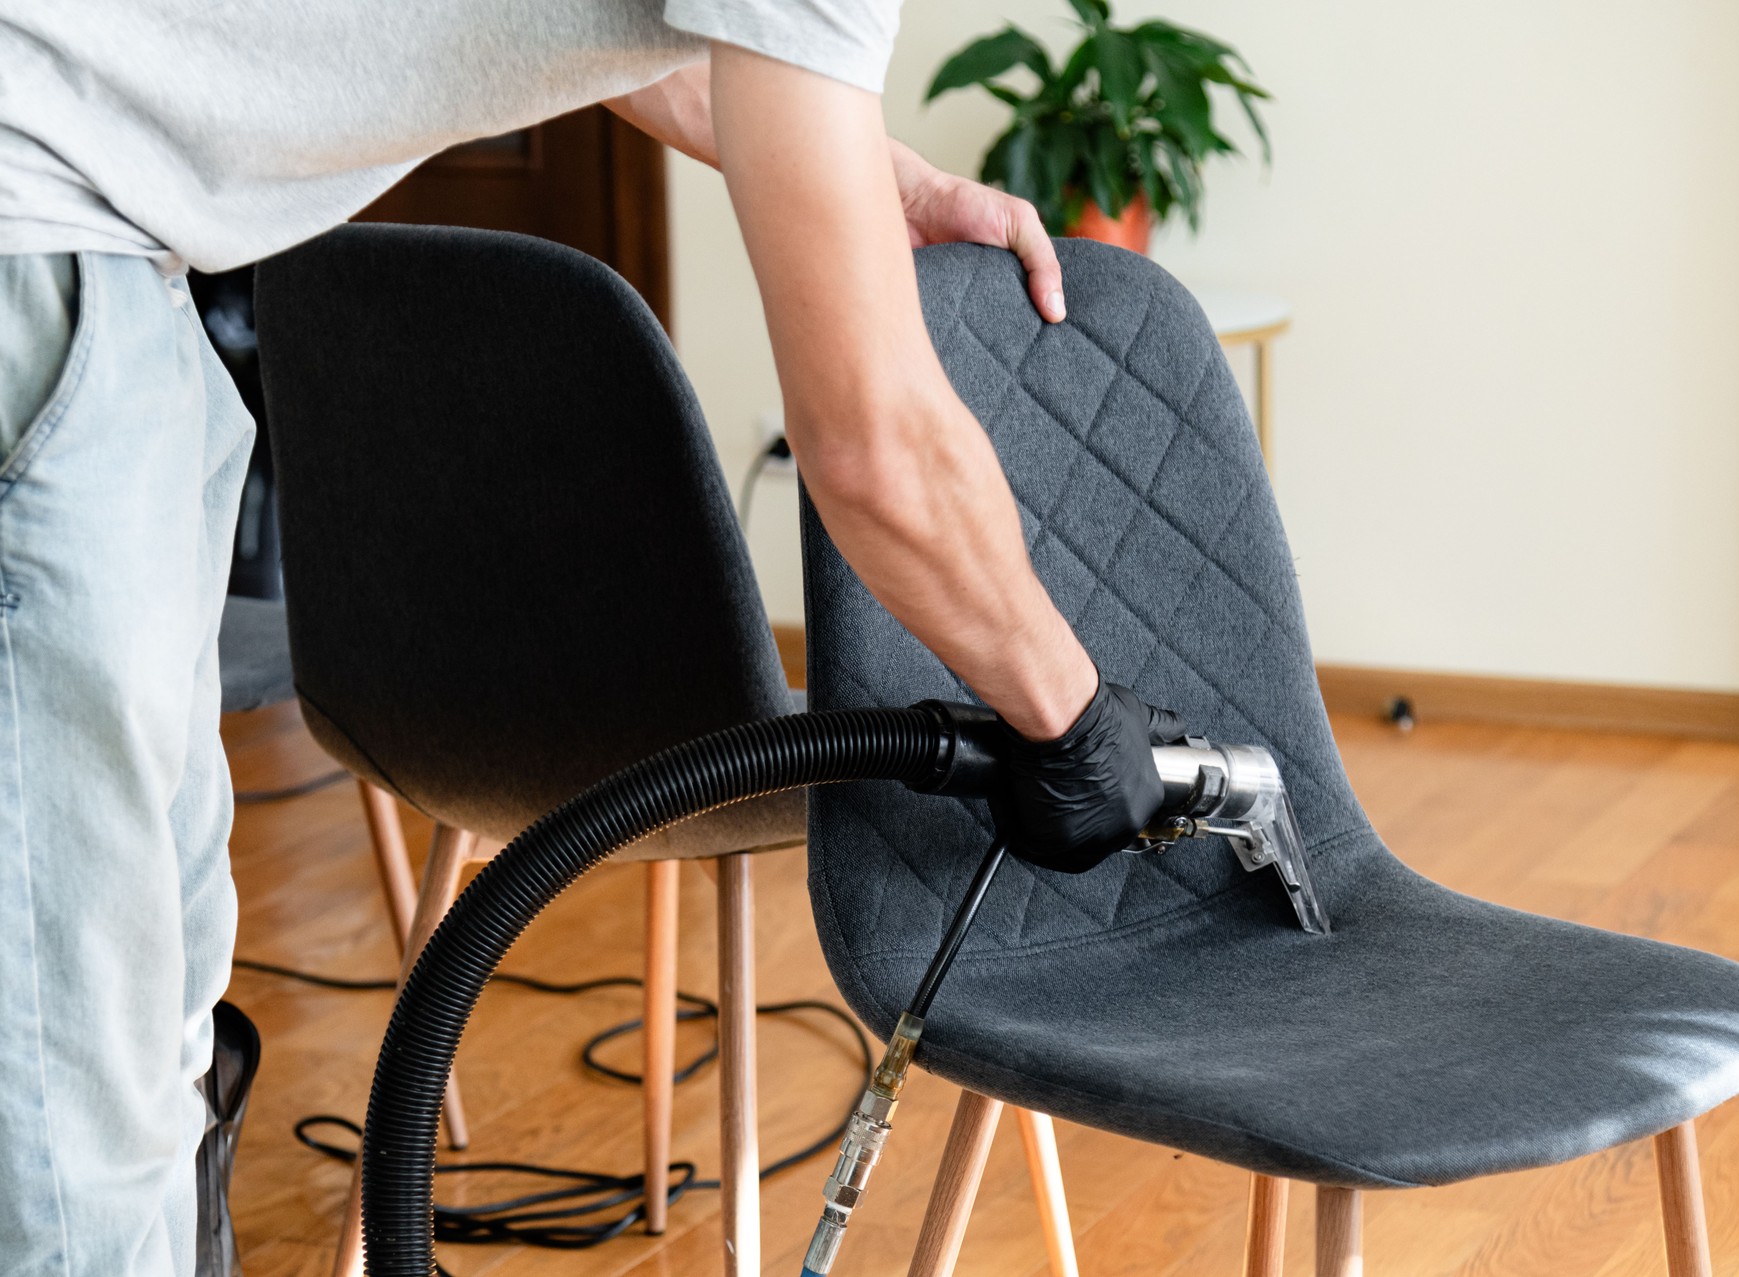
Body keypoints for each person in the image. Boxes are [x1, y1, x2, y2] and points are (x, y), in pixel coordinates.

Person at [0, 3, 1179, 1271]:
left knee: (154, 1025)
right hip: (37, 221)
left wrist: (867, 178)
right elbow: (876, 447)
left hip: (124, 251)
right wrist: (1075, 714)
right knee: (80, 1108)